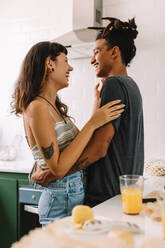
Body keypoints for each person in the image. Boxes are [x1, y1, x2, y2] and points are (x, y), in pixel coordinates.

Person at [28, 16, 144, 207]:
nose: (92, 59)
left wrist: (52, 174)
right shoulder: (131, 86)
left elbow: (98, 148)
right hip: (121, 192)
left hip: (104, 194)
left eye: (96, 52)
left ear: (114, 52)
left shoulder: (113, 84)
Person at [11, 41, 124, 225]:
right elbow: (58, 168)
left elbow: (81, 142)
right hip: (60, 201)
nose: (70, 67)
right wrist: (93, 123)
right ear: (50, 63)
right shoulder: (37, 107)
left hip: (71, 195)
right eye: (65, 60)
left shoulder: (52, 105)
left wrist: (97, 105)